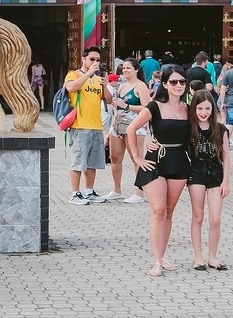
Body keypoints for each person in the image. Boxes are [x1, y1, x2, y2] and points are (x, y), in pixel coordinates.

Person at [125, 67, 192, 275]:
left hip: (179, 161)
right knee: (158, 210)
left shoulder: (189, 108)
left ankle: (162, 256)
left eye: (182, 82)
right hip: (155, 162)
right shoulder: (154, 107)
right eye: (173, 82)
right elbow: (131, 128)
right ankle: (156, 261)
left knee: (169, 211)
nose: (178, 86)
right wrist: (137, 157)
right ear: (164, 84)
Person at [186, 90, 229, 270]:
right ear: (194, 109)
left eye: (207, 108)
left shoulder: (220, 129)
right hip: (195, 172)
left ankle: (212, 256)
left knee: (215, 218)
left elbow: (226, 156)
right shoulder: (188, 128)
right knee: (198, 216)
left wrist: (226, 181)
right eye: (200, 108)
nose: (204, 112)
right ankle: (198, 257)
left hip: (216, 174)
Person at [64, 47, 108, 205]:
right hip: (80, 126)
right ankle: (75, 193)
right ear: (83, 59)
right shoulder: (74, 74)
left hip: (96, 125)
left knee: (92, 162)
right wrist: (88, 74)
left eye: (98, 60)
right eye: (92, 59)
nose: (95, 62)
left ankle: (89, 191)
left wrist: (106, 84)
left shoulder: (97, 79)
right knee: (78, 161)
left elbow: (107, 100)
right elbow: (70, 88)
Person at [107, 58, 151, 204]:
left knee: (136, 157)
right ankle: (116, 189)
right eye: (124, 68)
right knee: (115, 157)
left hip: (135, 125)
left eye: (128, 68)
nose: (125, 70)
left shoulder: (141, 86)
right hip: (118, 124)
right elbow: (116, 105)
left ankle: (140, 192)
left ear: (136, 70)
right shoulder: (122, 85)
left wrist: (127, 106)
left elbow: (147, 107)